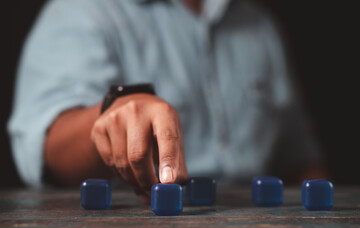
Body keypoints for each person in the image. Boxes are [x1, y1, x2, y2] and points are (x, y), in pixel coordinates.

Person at [8, 0, 325, 203]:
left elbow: (298, 156)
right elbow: (45, 147)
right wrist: (110, 114)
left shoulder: (259, 23)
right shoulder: (80, 11)